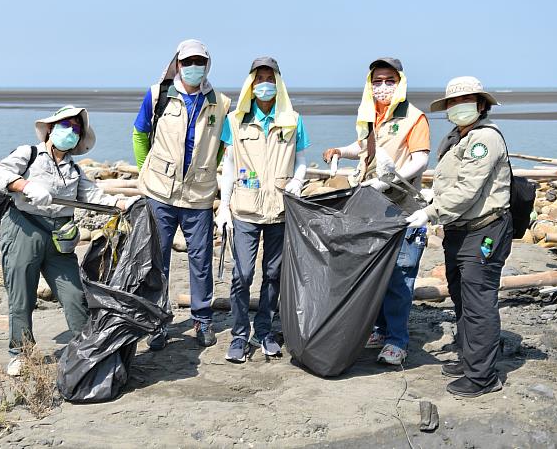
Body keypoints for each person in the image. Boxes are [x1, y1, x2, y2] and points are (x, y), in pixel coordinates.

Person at [0, 106, 134, 376]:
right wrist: (26, 186)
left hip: (59, 237)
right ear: (51, 129)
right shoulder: (28, 154)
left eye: (76, 129)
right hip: (24, 227)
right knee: (21, 295)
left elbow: (94, 196)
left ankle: (85, 349)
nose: (70, 132)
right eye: (66, 125)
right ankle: (21, 353)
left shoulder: (74, 170)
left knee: (75, 295)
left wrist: (123, 203)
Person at [405, 76, 512, 398]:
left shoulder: (485, 139)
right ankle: (470, 359)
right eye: (452, 102)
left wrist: (430, 213)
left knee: (479, 301)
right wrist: (429, 198)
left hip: (484, 230)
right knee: (462, 296)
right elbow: (451, 182)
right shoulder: (455, 137)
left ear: (481, 105)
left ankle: (482, 377)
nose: (457, 107)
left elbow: (469, 189)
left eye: (464, 101)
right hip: (459, 230)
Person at [322, 57, 430, 366]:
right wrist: (340, 151)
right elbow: (365, 148)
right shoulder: (372, 115)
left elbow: (420, 158)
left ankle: (397, 339)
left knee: (399, 274)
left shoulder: (413, 116)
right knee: (375, 271)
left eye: (389, 80)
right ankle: (381, 330)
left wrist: (389, 180)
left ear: (400, 82)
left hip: (402, 209)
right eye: (377, 81)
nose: (383, 86)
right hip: (371, 209)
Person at [133, 39, 231, 349]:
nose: (192, 68)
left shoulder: (221, 103)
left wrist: (205, 171)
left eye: (198, 62)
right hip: (159, 193)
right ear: (177, 63)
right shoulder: (158, 95)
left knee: (200, 260)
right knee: (156, 260)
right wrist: (145, 171)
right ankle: (157, 322)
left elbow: (222, 148)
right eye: (187, 61)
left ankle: (202, 320)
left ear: (207, 65)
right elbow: (139, 134)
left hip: (198, 196)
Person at [216, 57, 310, 363]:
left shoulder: (293, 120)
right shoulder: (235, 120)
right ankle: (239, 335)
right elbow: (228, 166)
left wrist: (296, 181)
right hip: (244, 209)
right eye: (259, 79)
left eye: (270, 78)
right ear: (251, 84)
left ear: (278, 83)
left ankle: (265, 332)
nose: (265, 84)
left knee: (273, 273)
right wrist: (224, 207)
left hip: (280, 210)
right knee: (242, 274)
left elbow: (302, 160)